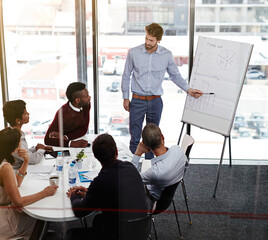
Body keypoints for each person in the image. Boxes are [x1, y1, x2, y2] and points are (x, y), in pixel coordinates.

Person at [121, 22, 203, 159]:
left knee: (152, 139)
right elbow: (126, 75)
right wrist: (125, 98)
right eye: (146, 38)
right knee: (135, 137)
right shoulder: (133, 53)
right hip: (137, 100)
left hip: (155, 102)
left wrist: (189, 89)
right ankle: (133, 170)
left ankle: (149, 168)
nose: (147, 42)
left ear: (158, 40)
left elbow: (175, 75)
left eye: (151, 40)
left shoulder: (166, 55)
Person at [0, 127, 58, 240]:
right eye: (19, 145)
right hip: (0, 224)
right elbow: (18, 202)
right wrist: (44, 193)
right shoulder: (6, 168)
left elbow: (16, 184)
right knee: (39, 218)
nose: (21, 147)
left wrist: (25, 162)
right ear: (13, 148)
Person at [65, 134, 147, 240]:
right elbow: (113, 190)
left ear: (95, 156)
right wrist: (91, 192)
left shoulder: (101, 180)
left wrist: (74, 195)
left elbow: (79, 211)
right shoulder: (130, 167)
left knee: (70, 234)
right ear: (116, 151)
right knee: (98, 219)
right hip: (142, 230)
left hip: (120, 235)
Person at [131, 123, 187, 210]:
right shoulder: (178, 150)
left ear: (147, 147)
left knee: (122, 189)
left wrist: (138, 152)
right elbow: (185, 167)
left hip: (151, 202)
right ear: (162, 137)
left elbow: (131, 180)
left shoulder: (155, 172)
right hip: (166, 198)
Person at [3, 100, 53, 170]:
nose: (28, 114)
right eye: (25, 114)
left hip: (23, 169)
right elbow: (32, 160)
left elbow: (25, 152)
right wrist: (41, 149)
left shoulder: (16, 132)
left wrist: (36, 149)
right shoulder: (13, 138)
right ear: (18, 120)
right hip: (16, 174)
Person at [44, 82, 91, 148]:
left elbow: (84, 129)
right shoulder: (62, 113)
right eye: (86, 96)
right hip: (61, 148)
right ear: (77, 100)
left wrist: (65, 137)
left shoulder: (86, 105)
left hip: (72, 139)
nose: (89, 97)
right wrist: (71, 143)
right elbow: (47, 140)